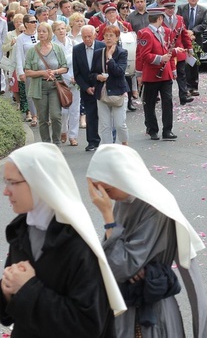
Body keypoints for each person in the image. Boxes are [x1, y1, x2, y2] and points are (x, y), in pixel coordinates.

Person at [0, 143, 126, 335]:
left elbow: (88, 325)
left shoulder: (77, 243)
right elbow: (12, 308)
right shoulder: (21, 230)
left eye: (12, 182)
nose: (5, 191)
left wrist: (28, 288)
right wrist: (6, 291)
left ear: (38, 182)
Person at [87, 145, 207, 338]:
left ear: (123, 177)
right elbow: (117, 261)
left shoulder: (154, 206)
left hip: (151, 312)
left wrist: (107, 218)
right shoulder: (123, 201)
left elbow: (122, 266)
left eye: (107, 189)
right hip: (129, 304)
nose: (104, 196)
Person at [136, 7, 177, 141]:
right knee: (150, 103)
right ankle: (152, 129)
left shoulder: (166, 31)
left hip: (165, 74)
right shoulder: (145, 33)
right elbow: (144, 55)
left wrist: (173, 69)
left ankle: (167, 130)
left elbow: (168, 51)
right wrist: (160, 58)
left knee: (168, 101)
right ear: (160, 18)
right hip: (152, 74)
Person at [23, 22, 68, 144]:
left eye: (44, 31)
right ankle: (46, 144)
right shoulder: (32, 51)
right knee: (43, 119)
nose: (41, 34)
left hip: (54, 86)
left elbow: (65, 67)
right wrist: (42, 73)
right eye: (39, 31)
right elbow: (27, 72)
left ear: (49, 33)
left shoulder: (57, 48)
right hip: (39, 87)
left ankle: (57, 143)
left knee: (56, 116)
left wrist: (54, 71)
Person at [92, 25, 129, 146]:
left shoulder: (122, 52)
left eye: (111, 36)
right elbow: (91, 73)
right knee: (105, 124)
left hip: (118, 91)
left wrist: (110, 57)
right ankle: (107, 148)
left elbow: (119, 71)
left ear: (117, 38)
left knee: (119, 124)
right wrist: (97, 77)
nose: (108, 38)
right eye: (106, 35)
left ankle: (124, 143)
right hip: (102, 91)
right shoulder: (97, 53)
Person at [73, 25, 105, 151]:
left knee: (105, 115)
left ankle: (108, 141)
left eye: (89, 36)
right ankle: (92, 141)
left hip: (102, 86)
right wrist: (86, 87)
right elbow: (77, 73)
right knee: (91, 115)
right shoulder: (77, 49)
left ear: (94, 35)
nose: (87, 39)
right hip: (87, 88)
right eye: (84, 37)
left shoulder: (102, 46)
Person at [52, 20, 80, 146]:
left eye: (63, 28)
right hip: (61, 81)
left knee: (75, 109)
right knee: (63, 110)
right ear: (54, 32)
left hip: (74, 79)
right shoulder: (52, 46)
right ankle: (63, 130)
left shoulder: (74, 43)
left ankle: (73, 136)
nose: (61, 31)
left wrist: (77, 76)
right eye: (58, 29)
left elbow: (79, 62)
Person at [162, 0, 193, 106]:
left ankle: (183, 96)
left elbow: (184, 34)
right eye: (168, 8)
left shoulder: (179, 18)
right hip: (166, 51)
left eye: (172, 8)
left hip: (178, 50)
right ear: (164, 9)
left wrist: (189, 47)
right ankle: (167, 96)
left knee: (182, 74)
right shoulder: (160, 19)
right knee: (168, 75)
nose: (171, 10)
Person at [177, 0, 207, 97]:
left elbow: (203, 25)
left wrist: (193, 31)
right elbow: (179, 22)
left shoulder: (203, 10)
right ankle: (186, 87)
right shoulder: (181, 8)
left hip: (196, 40)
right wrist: (186, 33)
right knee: (185, 65)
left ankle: (194, 87)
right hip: (184, 40)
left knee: (194, 64)